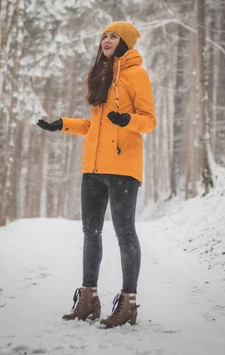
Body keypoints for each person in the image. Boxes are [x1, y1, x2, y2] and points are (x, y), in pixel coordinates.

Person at [37, 21, 156, 327]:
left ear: (125, 42)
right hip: (92, 168)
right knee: (90, 232)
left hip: (123, 168)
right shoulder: (101, 76)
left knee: (125, 232)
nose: (106, 40)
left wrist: (126, 119)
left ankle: (128, 301)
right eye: (104, 36)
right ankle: (88, 298)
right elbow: (95, 127)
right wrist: (62, 124)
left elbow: (148, 121)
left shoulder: (136, 75)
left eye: (113, 36)